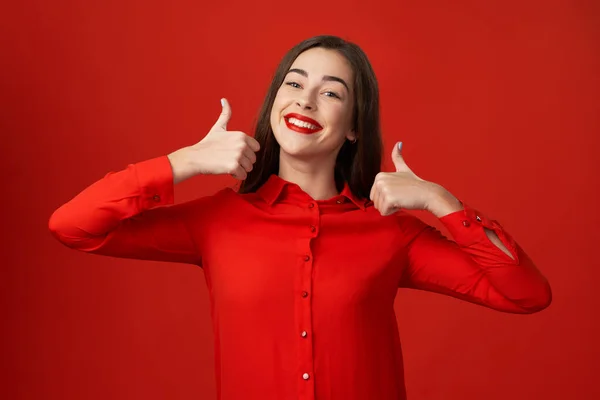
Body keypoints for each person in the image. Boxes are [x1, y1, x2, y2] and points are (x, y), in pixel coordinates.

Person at [48, 35, 552, 400]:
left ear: (354, 126)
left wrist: (442, 202)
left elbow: (525, 293)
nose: (306, 99)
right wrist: (181, 165)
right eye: (295, 83)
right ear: (275, 104)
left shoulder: (391, 232)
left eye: (332, 92)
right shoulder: (218, 220)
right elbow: (73, 226)